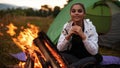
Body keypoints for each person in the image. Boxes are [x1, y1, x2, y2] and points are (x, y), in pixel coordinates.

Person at [57, 3, 103, 68]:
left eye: (79, 11)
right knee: (58, 55)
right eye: (73, 11)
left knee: (98, 57)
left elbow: (94, 51)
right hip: (73, 56)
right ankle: (81, 64)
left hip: (87, 56)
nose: (76, 13)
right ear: (70, 14)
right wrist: (69, 35)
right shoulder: (67, 27)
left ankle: (73, 66)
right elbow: (59, 48)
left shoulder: (90, 27)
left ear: (84, 14)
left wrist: (83, 36)